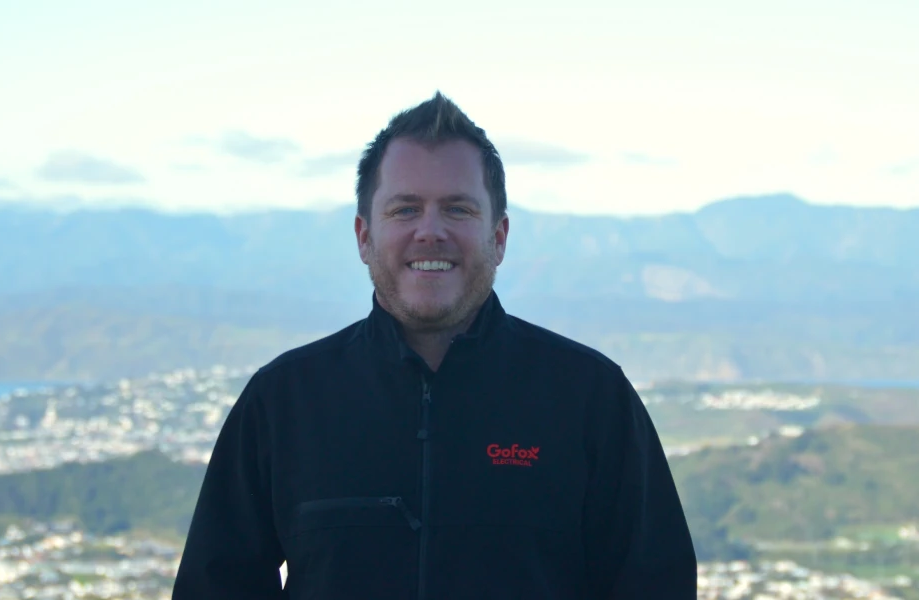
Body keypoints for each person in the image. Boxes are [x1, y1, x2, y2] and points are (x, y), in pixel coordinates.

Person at [172, 91, 697, 599]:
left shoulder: (589, 397)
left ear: (499, 237)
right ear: (363, 237)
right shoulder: (283, 401)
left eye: (458, 210)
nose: (430, 231)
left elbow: (656, 584)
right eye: (404, 210)